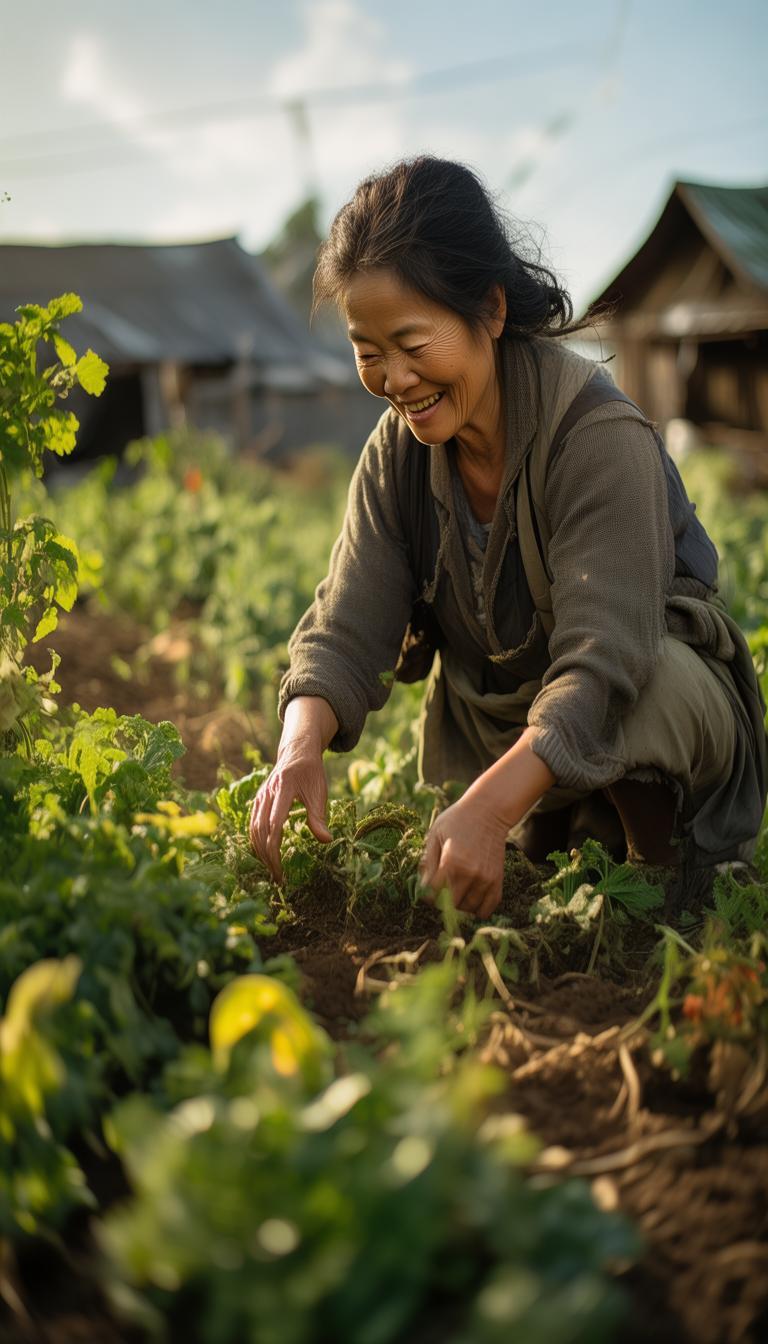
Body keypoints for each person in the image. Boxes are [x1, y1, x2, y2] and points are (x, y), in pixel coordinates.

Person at [249, 155, 767, 919]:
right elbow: (345, 624)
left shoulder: (595, 437)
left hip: (650, 716)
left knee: (638, 676)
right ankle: (555, 830)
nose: (394, 379)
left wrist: (488, 811)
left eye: (412, 342)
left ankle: (664, 878)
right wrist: (299, 748)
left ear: (490, 310)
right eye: (368, 352)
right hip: (525, 739)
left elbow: (605, 664)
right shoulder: (398, 454)